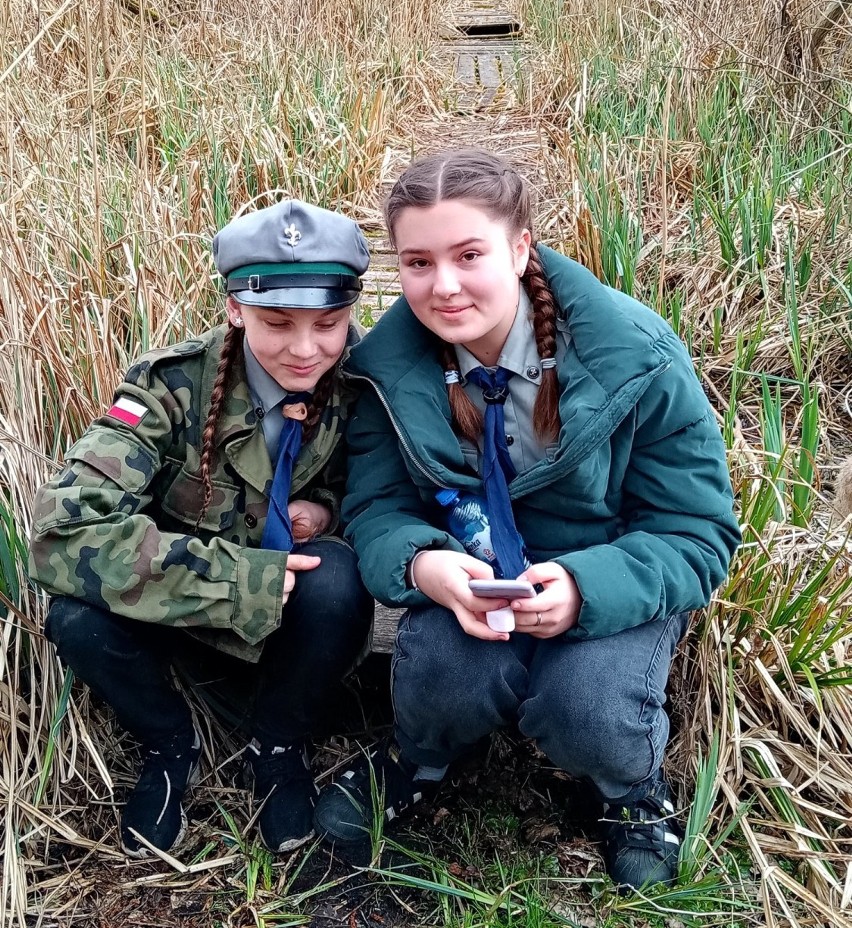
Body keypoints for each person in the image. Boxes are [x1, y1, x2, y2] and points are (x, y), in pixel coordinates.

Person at [313, 150, 741, 890]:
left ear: (520, 249)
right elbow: (377, 509)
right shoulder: (385, 373)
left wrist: (581, 586)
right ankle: (425, 757)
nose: (443, 286)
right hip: (473, 579)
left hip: (612, 574)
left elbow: (698, 534)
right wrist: (425, 567)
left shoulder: (637, 357)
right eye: (417, 262)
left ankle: (626, 791)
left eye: (469, 254)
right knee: (442, 672)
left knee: (588, 704)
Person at [29, 200, 375, 858]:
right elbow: (62, 530)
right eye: (277, 323)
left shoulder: (365, 383)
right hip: (181, 613)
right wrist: (236, 581)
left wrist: (327, 511)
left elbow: (390, 496)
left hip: (296, 631)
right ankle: (168, 741)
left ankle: (278, 743)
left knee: (337, 583)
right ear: (235, 308)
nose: (306, 350)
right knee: (74, 618)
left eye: (329, 323)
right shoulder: (169, 389)